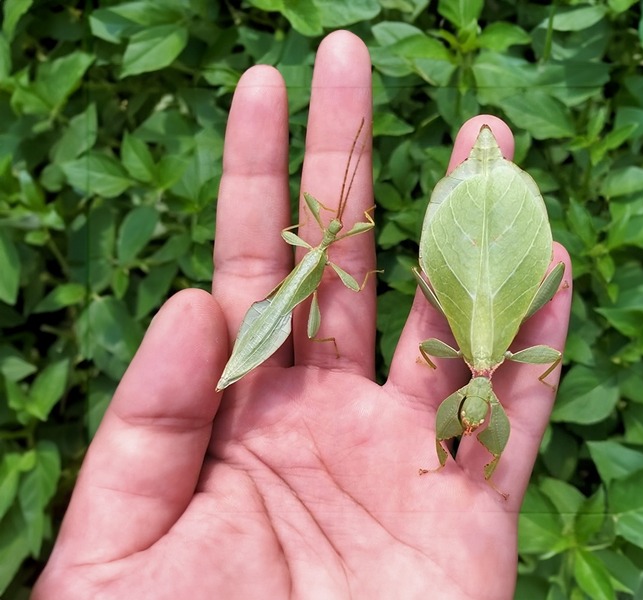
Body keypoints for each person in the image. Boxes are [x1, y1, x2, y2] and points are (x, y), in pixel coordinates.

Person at [33, 31, 572, 599]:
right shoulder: (332, 258)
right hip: (280, 307)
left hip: (293, 296)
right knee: (283, 319)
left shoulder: (326, 248)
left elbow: (334, 247)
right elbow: (340, 264)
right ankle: (244, 361)